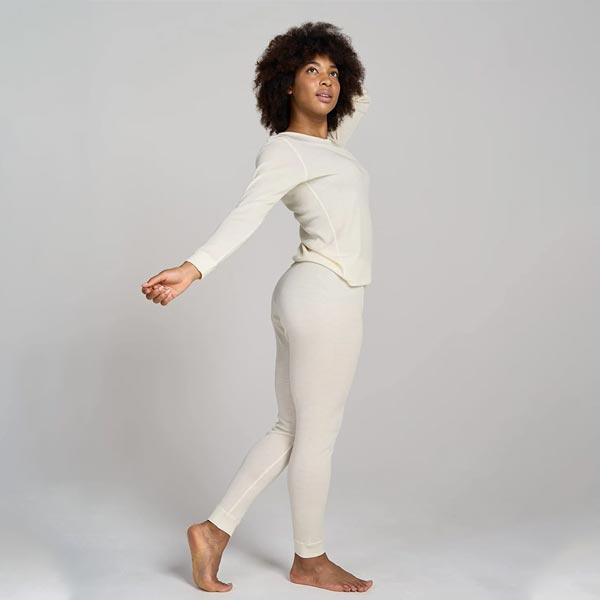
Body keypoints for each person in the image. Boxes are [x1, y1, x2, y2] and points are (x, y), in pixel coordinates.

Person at [141, 21, 374, 593]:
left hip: (309, 294)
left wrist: (338, 66)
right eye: (311, 70)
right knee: (317, 434)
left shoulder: (328, 147)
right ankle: (310, 559)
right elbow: (246, 214)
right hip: (326, 294)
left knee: (291, 427)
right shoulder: (286, 151)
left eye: (334, 72)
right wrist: (193, 267)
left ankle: (212, 532)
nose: (327, 81)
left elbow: (359, 97)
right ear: (286, 83)